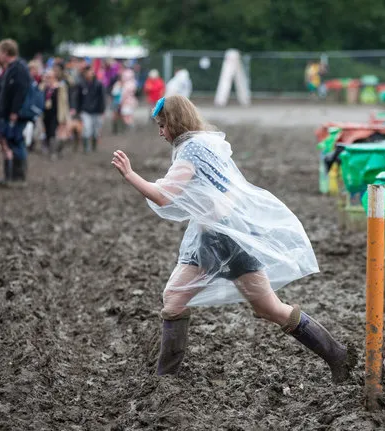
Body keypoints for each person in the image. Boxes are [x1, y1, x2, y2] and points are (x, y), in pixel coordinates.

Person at [110, 95, 356, 382]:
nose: (161, 133)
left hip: (220, 240)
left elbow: (164, 196)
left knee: (175, 299)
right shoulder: (206, 146)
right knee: (269, 308)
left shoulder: (191, 151)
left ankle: (165, 380)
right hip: (227, 236)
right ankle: (337, 355)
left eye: (163, 126)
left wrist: (130, 175)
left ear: (175, 123)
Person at [0, 39, 31, 184]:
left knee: (17, 141)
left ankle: (18, 176)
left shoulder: (19, 69)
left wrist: (14, 111)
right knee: (11, 142)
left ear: (6, 52)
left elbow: (20, 92)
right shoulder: (12, 68)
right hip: (9, 112)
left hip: (16, 114)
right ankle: (11, 175)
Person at [73, 66, 105, 153]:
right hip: (85, 111)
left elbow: (102, 98)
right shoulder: (81, 84)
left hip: (97, 111)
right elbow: (78, 98)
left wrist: (102, 110)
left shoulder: (98, 84)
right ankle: (86, 148)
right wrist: (78, 110)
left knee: (95, 131)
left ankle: (94, 146)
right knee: (87, 129)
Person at [40, 69, 69, 159]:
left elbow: (64, 102)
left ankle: (54, 151)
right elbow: (39, 92)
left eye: (50, 77)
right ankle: (50, 148)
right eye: (47, 77)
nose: (48, 78)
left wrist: (65, 116)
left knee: (54, 132)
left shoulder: (60, 87)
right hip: (46, 113)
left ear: (55, 77)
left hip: (57, 113)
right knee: (48, 131)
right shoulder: (45, 87)